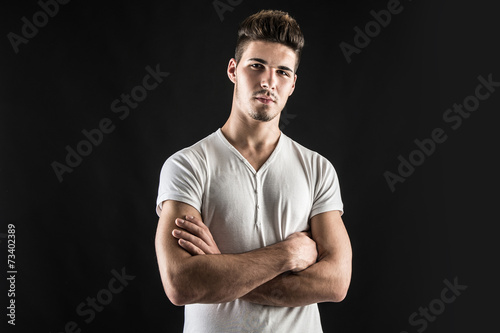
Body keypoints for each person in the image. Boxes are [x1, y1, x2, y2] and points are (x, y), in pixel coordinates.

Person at [154, 9, 352, 332]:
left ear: (293, 84)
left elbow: (336, 281)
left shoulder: (318, 170)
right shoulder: (187, 165)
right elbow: (181, 283)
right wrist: (287, 254)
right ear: (233, 69)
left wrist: (219, 268)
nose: (268, 82)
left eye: (282, 72)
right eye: (256, 65)